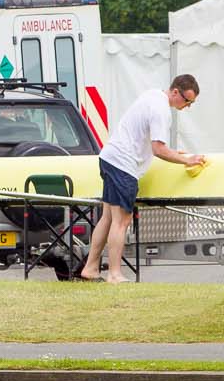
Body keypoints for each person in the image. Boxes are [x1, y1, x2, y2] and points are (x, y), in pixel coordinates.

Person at [79, 74, 204, 283]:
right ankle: (114, 274)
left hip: (109, 157)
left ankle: (91, 268)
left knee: (108, 218)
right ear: (175, 92)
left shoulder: (152, 95)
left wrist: (176, 153)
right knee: (122, 221)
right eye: (187, 100)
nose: (188, 106)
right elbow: (158, 150)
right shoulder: (162, 111)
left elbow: (146, 140)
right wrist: (187, 161)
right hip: (123, 166)